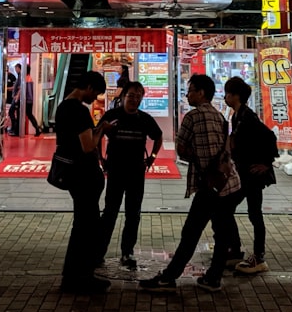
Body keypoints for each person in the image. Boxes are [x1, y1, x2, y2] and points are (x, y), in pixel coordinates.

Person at [140, 74, 241, 293]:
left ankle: (168, 278)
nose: (188, 95)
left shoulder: (192, 118)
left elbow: (182, 150)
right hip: (229, 184)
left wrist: (196, 155)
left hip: (209, 186)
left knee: (191, 233)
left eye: (191, 90)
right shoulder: (220, 117)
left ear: (201, 93)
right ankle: (213, 278)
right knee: (221, 234)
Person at [55, 71, 113, 294]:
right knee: (86, 228)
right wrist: (102, 130)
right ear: (88, 87)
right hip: (83, 176)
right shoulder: (78, 110)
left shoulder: (62, 106)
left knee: (82, 226)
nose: (95, 97)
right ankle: (80, 277)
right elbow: (88, 145)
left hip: (73, 175)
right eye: (96, 92)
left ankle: (73, 276)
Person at [96, 81, 163, 269]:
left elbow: (158, 136)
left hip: (136, 172)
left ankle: (127, 252)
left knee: (133, 214)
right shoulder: (112, 115)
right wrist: (100, 158)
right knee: (110, 212)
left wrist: (152, 157)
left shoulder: (145, 119)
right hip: (115, 171)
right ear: (123, 96)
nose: (135, 99)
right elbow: (97, 134)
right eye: (131, 95)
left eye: (138, 96)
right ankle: (99, 252)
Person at [222, 76, 278, 275]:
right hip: (244, 173)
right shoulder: (237, 115)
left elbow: (269, 136)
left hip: (252, 175)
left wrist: (266, 163)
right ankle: (237, 251)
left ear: (235, 95)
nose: (224, 97)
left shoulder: (247, 116)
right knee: (233, 209)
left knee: (250, 213)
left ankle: (258, 258)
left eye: (227, 93)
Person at [23, 67, 42, 136]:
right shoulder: (29, 78)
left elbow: (28, 92)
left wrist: (28, 100)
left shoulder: (27, 79)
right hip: (29, 100)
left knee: (29, 115)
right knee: (30, 115)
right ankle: (37, 128)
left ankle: (37, 128)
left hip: (28, 100)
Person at [5, 63, 19, 135]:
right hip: (3, 99)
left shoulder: (12, 77)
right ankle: (5, 127)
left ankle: (11, 127)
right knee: (6, 113)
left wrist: (6, 89)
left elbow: (15, 87)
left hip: (10, 99)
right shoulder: (2, 76)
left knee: (10, 113)